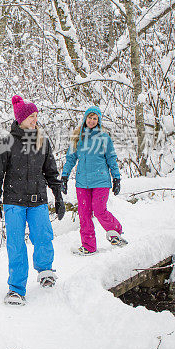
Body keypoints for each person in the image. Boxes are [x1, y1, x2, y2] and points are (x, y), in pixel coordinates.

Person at [0, 95, 65, 306]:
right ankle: (16, 288)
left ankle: (46, 271)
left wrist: (58, 197)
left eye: (36, 116)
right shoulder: (7, 142)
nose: (35, 120)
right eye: (31, 116)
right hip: (13, 202)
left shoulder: (42, 141)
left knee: (43, 237)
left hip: (38, 200)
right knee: (16, 244)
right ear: (20, 119)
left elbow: (51, 173)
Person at [60, 106, 127, 255]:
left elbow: (111, 159)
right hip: (82, 183)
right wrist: (64, 176)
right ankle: (89, 246)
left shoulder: (104, 138)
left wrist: (116, 178)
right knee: (84, 215)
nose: (91, 121)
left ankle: (115, 232)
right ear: (85, 119)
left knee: (99, 210)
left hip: (101, 181)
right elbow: (70, 159)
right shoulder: (78, 138)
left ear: (98, 121)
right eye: (89, 118)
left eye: (94, 118)